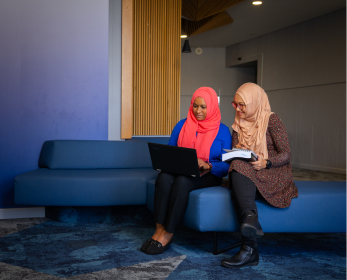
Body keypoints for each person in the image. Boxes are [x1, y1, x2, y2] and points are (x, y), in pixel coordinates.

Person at [141, 87, 232, 255]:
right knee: (163, 178)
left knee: (183, 182)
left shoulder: (223, 131)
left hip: (209, 174)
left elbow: (227, 165)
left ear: (211, 107)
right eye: (195, 106)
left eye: (203, 107)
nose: (198, 111)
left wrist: (209, 165)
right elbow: (170, 151)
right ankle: (158, 229)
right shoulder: (182, 124)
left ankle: (168, 233)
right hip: (180, 169)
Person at [221, 83, 298, 268]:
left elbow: (286, 154)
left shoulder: (272, 120)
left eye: (242, 105)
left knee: (238, 174)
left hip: (273, 171)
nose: (238, 109)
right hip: (248, 170)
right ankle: (250, 225)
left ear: (254, 102)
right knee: (238, 165)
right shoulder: (238, 123)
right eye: (235, 104)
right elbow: (236, 152)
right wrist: (237, 152)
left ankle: (248, 244)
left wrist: (266, 162)